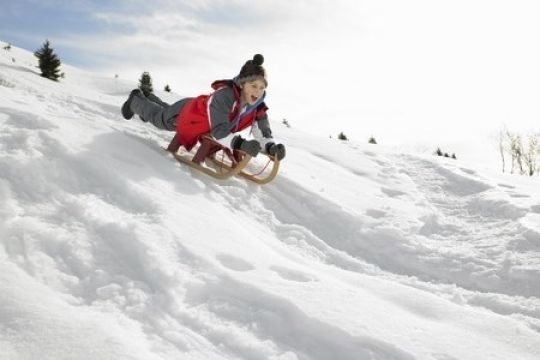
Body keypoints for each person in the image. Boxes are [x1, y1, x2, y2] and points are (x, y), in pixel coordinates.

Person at [121, 54, 286, 160]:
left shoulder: (258, 107)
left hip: (201, 117)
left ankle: (149, 97)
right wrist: (241, 145)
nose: (258, 91)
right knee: (161, 119)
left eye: (261, 87)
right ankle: (135, 99)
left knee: (164, 111)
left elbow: (263, 132)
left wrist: (271, 147)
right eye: (253, 85)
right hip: (189, 113)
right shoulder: (225, 96)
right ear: (242, 84)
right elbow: (219, 131)